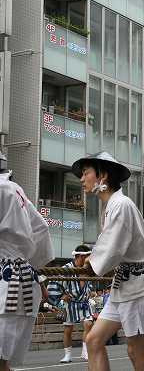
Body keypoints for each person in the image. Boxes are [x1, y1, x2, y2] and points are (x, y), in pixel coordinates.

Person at [73, 152, 144, 371]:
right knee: (93, 341)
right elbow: (109, 244)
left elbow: (112, 246)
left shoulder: (121, 204)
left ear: (102, 176)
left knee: (135, 351)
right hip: (123, 285)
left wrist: (91, 265)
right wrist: (92, 261)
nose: (82, 179)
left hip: (138, 287)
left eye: (85, 174)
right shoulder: (112, 205)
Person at [0, 152, 55, 371]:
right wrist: (33, 268)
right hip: (22, 278)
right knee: (4, 359)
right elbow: (42, 228)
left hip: (7, 284)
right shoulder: (15, 189)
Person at [47, 244, 95, 362]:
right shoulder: (66, 268)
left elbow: (90, 284)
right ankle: (67, 354)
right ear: (80, 257)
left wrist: (89, 291)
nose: (89, 259)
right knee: (68, 329)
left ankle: (85, 352)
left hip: (84, 302)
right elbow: (54, 285)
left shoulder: (88, 269)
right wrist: (61, 296)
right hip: (71, 303)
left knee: (89, 324)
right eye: (87, 257)